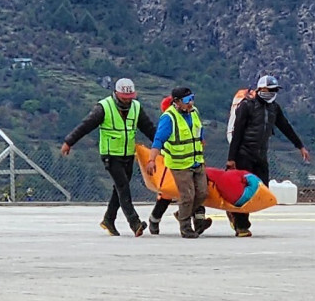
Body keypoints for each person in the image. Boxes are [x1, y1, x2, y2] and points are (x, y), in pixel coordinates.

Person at [61, 78, 156, 237]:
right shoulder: (103, 108)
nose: (127, 100)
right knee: (123, 187)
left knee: (118, 189)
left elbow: (149, 129)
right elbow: (85, 126)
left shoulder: (136, 108)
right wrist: (69, 142)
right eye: (124, 97)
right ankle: (135, 223)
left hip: (127, 154)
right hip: (110, 155)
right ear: (116, 94)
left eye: (130, 97)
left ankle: (108, 220)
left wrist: (162, 145)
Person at [226, 75, 311, 237]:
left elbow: (285, 127)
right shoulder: (247, 106)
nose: (272, 93)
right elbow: (237, 133)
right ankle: (242, 225)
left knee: (260, 190)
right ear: (260, 89)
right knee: (244, 191)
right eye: (270, 90)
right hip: (243, 154)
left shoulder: (274, 108)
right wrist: (231, 158)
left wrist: (299, 145)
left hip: (261, 155)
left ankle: (236, 216)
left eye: (275, 91)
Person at [146, 87, 209, 238]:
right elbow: (158, 140)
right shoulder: (169, 118)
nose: (191, 103)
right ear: (177, 102)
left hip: (197, 161)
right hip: (180, 165)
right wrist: (151, 159)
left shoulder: (194, 112)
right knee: (187, 196)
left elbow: (199, 130)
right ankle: (185, 228)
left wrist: (201, 139)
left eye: (192, 98)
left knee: (202, 193)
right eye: (187, 101)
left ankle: (182, 214)